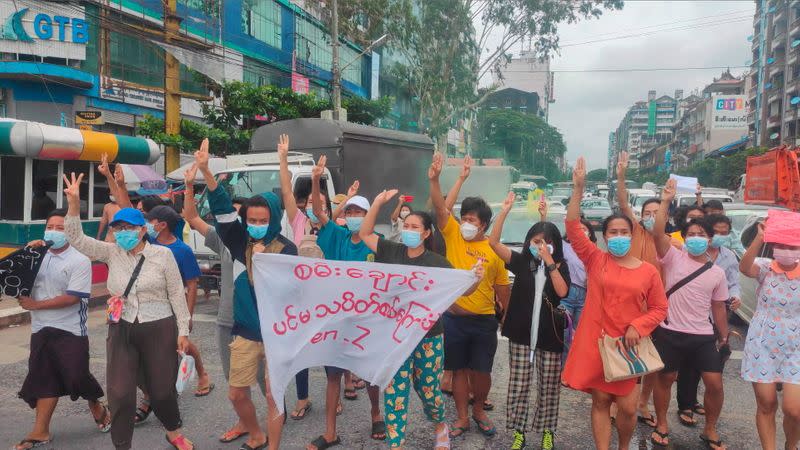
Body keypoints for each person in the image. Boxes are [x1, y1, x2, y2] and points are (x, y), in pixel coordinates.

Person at [62, 172, 193, 450]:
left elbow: (176, 295)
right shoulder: (111, 252)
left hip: (159, 327)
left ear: (143, 229)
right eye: (117, 228)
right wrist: (74, 204)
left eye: (128, 228)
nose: (122, 233)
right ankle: (122, 444)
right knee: (120, 393)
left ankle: (173, 430)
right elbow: (76, 239)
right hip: (121, 327)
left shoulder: (163, 256)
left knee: (161, 391)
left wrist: (183, 331)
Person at [358, 188, 483, 450]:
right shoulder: (391, 251)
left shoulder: (438, 263)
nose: (409, 230)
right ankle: (396, 444)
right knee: (395, 392)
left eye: (415, 227)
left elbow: (462, 289)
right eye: (406, 225)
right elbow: (365, 233)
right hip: (395, 337)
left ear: (427, 233)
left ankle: (439, 424)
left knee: (428, 391)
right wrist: (379, 202)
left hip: (429, 337)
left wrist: (476, 278)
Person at [561, 157, 668, 450]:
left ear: (632, 236)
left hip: (629, 348)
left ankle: (623, 445)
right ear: (604, 237)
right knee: (600, 401)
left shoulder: (648, 271)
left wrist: (638, 325)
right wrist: (578, 188)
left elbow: (660, 308)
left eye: (624, 232)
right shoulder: (596, 260)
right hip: (599, 345)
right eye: (612, 233)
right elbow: (571, 227)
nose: (618, 237)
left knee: (629, 408)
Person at [199, 141, 297, 450]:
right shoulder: (239, 243)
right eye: (251, 220)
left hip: (276, 335)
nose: (255, 225)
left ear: (275, 218)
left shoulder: (287, 249)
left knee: (272, 396)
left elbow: (292, 293)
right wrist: (206, 172)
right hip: (244, 332)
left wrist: (269, 261)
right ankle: (255, 432)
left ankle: (272, 445)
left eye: (262, 220)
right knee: (236, 393)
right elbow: (223, 211)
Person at [182, 160, 268, 444]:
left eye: (256, 220)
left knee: (265, 380)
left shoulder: (269, 246)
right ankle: (246, 423)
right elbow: (192, 217)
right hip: (227, 320)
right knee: (236, 382)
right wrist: (188, 186)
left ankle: (274, 423)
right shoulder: (222, 239)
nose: (250, 224)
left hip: (258, 323)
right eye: (245, 219)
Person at [428, 153, 511, 438]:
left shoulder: (493, 250)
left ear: (484, 225)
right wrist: (437, 179)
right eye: (463, 218)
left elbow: (503, 288)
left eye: (471, 220)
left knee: (482, 372)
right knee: (458, 371)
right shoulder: (452, 235)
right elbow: (440, 208)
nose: (464, 223)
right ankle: (462, 417)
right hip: (453, 320)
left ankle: (479, 411)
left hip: (484, 320)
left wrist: (506, 317)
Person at [13, 209, 111, 450]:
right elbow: (15, 277)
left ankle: (95, 404)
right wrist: (27, 253)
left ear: (71, 232)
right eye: (50, 227)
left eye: (61, 228)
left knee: (76, 374)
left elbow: (73, 298)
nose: (53, 232)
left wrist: (35, 305)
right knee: (43, 376)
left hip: (70, 328)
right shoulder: (37, 254)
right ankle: (40, 431)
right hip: (41, 326)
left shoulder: (79, 259)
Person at [306, 155, 385, 450]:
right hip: (336, 319)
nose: (353, 215)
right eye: (349, 211)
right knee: (333, 375)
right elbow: (318, 212)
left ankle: (377, 413)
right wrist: (315, 180)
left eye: (358, 212)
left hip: (366, 320)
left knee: (371, 373)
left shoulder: (376, 242)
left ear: (368, 216)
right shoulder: (337, 235)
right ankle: (329, 432)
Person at [650, 178, 730, 449]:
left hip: (703, 335)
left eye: (701, 235)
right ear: (684, 238)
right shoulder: (673, 257)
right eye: (691, 234)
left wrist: (724, 335)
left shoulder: (717, 272)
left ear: (710, 239)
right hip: (670, 331)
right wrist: (665, 201)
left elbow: (718, 306)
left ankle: (710, 429)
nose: (696, 239)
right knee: (666, 379)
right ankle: (662, 423)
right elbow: (657, 231)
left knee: (715, 384)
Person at [489, 192, 570, 450]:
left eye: (546, 242)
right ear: (529, 242)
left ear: (555, 244)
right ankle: (519, 432)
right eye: (536, 241)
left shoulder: (560, 265)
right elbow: (493, 243)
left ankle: (548, 433)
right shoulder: (522, 261)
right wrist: (504, 211)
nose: (541, 246)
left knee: (548, 388)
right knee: (519, 385)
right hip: (522, 335)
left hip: (549, 336)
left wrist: (550, 263)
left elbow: (562, 293)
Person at [277, 133, 333, 419]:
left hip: (325, 300)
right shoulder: (297, 221)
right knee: (298, 351)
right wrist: (283, 158)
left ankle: (334, 393)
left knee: (327, 349)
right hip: (298, 297)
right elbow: (287, 193)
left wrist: (316, 179)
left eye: (319, 203)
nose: (314, 207)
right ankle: (303, 398)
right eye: (310, 203)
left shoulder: (333, 230)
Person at [675, 214, 742, 428]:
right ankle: (686, 403)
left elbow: (733, 283)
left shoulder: (729, 257)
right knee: (687, 367)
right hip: (688, 319)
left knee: (712, 371)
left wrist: (736, 296)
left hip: (716, 317)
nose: (720, 236)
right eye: (717, 232)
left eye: (725, 233)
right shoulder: (684, 253)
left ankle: (707, 420)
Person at [739, 219, 800, 450]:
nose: (786, 251)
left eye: (793, 246)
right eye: (781, 246)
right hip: (763, 342)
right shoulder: (765, 267)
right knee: (766, 403)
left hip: (796, 346)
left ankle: (791, 445)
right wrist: (760, 237)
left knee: (794, 410)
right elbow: (744, 268)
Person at [614, 152, 663, 426]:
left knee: (651, 360)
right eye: (647, 213)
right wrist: (621, 175)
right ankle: (618, 400)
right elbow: (622, 202)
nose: (651, 217)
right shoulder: (633, 231)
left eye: (657, 214)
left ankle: (643, 402)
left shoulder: (669, 243)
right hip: (625, 307)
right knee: (621, 354)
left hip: (654, 311)